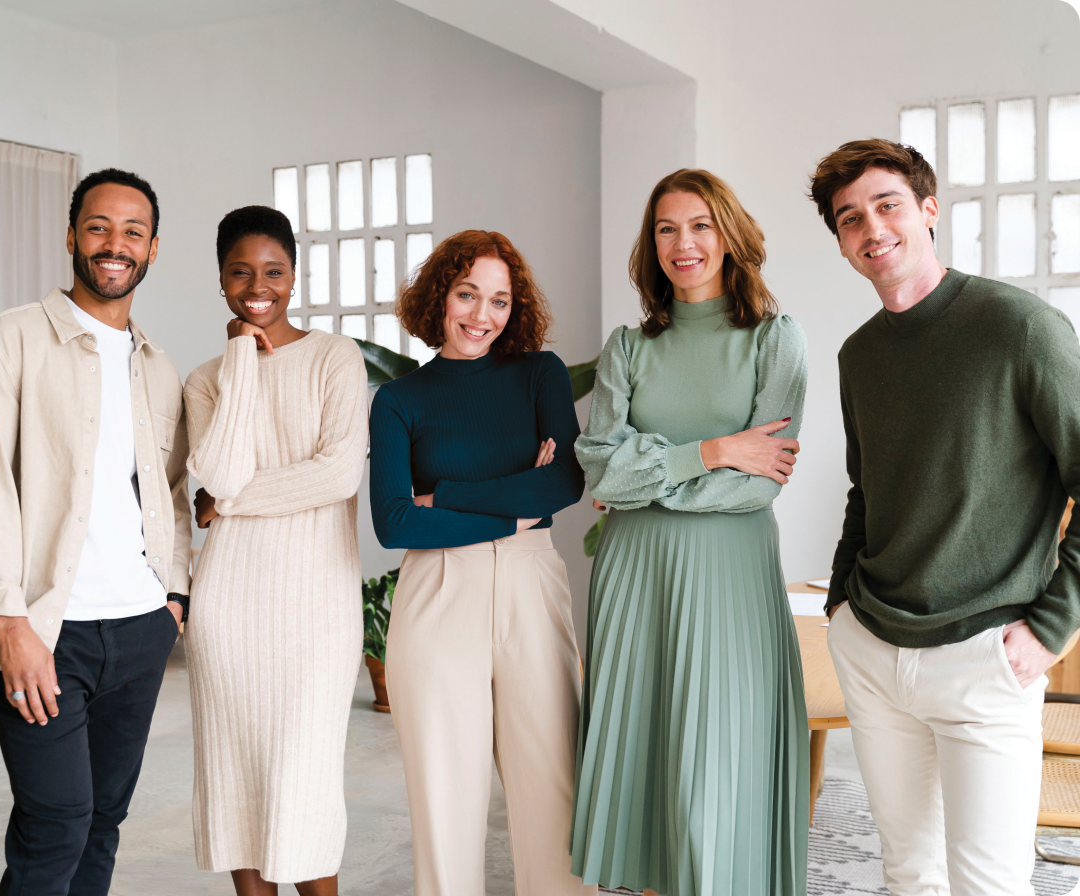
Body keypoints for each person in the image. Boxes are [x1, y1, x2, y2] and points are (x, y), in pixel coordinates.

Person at [809, 138, 1080, 896]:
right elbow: (868, 491)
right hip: (874, 646)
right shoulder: (859, 355)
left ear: (929, 210)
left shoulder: (1020, 328)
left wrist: (1051, 628)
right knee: (909, 875)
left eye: (887, 204)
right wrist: (840, 606)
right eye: (849, 218)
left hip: (986, 655)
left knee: (988, 884)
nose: (872, 229)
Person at [570, 169, 809, 896]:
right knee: (649, 771)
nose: (684, 243)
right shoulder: (627, 348)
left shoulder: (775, 340)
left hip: (731, 574)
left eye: (701, 225)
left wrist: (652, 479)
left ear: (729, 235)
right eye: (667, 229)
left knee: (717, 771)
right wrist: (714, 449)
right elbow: (601, 474)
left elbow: (757, 486)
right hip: (636, 575)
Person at [0, 168, 192, 895]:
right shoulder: (10, 339)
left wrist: (173, 598)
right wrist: (9, 619)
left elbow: (170, 493)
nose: (113, 244)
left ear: (153, 249)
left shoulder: (158, 366)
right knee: (56, 819)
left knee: (103, 820)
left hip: (140, 626)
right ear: (71, 236)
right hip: (46, 629)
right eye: (98, 227)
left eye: (132, 232)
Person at [369, 230, 593, 896]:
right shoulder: (398, 401)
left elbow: (562, 486)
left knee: (556, 794)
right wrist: (512, 502)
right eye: (467, 294)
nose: (481, 316)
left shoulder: (538, 376)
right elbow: (395, 521)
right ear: (440, 297)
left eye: (499, 300)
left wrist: (451, 497)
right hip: (437, 597)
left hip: (531, 585)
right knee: (446, 804)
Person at [183, 206, 368, 896]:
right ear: (222, 282)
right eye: (241, 272)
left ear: (294, 276)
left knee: (305, 781)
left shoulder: (333, 356)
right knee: (236, 777)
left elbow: (338, 473)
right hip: (229, 604)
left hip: (317, 604)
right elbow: (224, 468)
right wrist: (240, 354)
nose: (257, 286)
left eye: (273, 271)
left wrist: (226, 503)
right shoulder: (208, 378)